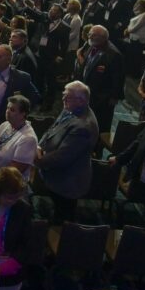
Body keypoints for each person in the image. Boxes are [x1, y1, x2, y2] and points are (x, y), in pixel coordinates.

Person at [36, 82, 100, 223]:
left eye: (67, 97)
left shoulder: (84, 126)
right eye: (64, 95)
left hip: (67, 183)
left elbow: (62, 157)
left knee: (62, 220)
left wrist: (38, 160)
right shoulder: (72, 108)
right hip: (57, 175)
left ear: (81, 100)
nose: (63, 99)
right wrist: (39, 146)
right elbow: (52, 129)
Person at [73, 25, 124, 136]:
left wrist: (114, 97)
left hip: (102, 98)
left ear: (103, 37)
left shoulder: (114, 55)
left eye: (93, 34)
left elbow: (118, 78)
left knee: (98, 126)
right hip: (88, 93)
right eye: (90, 33)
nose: (89, 36)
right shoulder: (92, 45)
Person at [0, 95, 38, 186]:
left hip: (9, 185)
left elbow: (14, 170)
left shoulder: (28, 138)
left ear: (23, 114)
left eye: (12, 110)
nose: (7, 112)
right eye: (7, 108)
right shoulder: (5, 124)